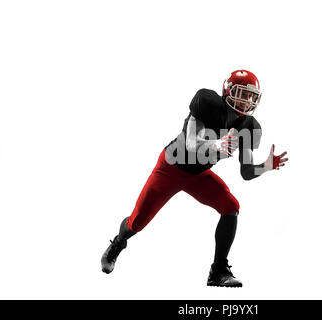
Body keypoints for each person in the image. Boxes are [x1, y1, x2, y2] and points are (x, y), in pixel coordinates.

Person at [101, 70, 288, 287]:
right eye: (242, 94)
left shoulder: (249, 125)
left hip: (199, 174)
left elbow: (246, 173)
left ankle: (218, 271)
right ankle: (118, 243)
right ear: (228, 90)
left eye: (251, 96)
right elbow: (191, 144)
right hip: (171, 167)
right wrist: (216, 144)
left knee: (231, 206)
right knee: (137, 222)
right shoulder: (207, 102)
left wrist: (265, 167)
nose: (247, 100)